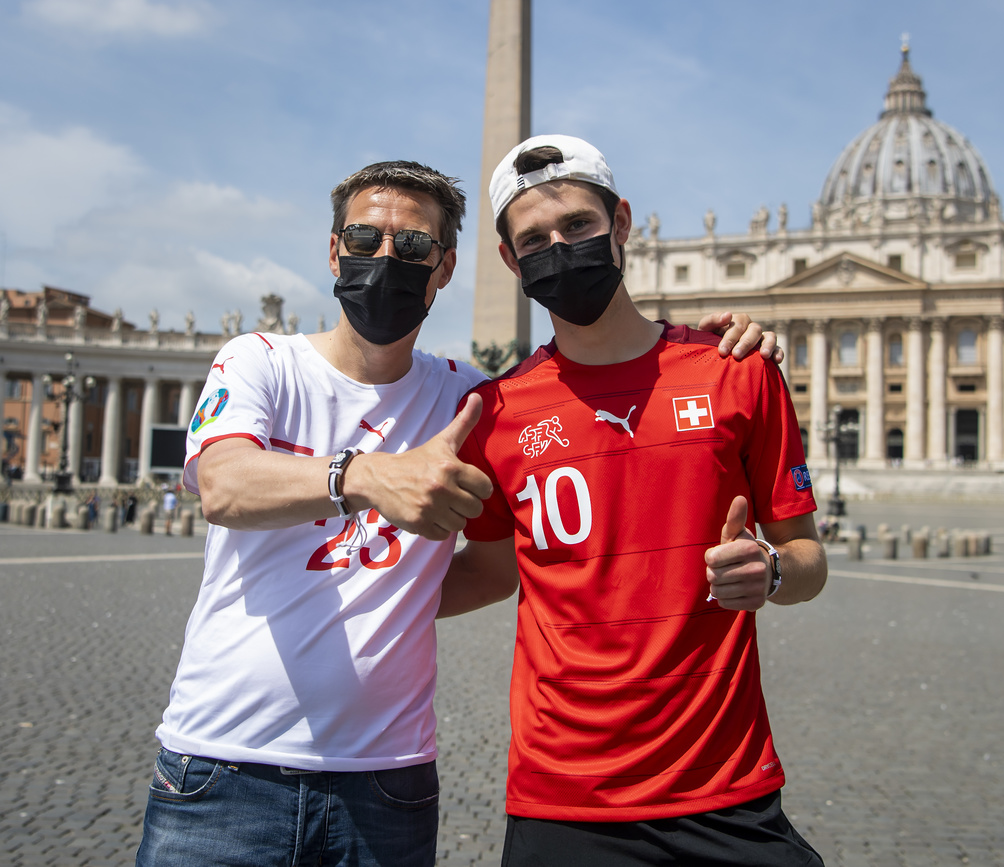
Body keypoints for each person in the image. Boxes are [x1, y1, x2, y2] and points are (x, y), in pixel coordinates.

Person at [134, 158, 777, 867]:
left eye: (412, 247)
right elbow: (223, 485)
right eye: (363, 239)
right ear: (331, 249)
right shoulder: (259, 360)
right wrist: (366, 476)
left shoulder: (475, 400)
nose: (385, 258)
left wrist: (709, 341)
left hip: (386, 776)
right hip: (220, 761)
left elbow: (499, 568)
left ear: (443, 269)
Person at [447, 135, 828, 866]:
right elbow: (491, 572)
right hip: (564, 797)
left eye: (578, 227)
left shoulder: (737, 375)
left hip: (723, 786)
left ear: (621, 224)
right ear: (509, 260)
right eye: (534, 239)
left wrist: (771, 571)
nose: (558, 248)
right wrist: (339, 584)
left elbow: (809, 559)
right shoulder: (492, 414)